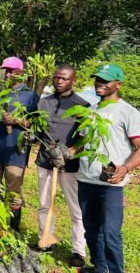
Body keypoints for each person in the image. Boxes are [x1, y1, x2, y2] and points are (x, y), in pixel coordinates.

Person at [75, 64, 140, 273]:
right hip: (86, 179)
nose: (99, 84)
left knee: (111, 233)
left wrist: (125, 167)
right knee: (91, 230)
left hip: (111, 182)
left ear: (118, 85)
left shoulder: (128, 112)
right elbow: (82, 142)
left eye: (105, 81)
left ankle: (115, 270)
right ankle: (99, 267)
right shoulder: (91, 110)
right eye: (97, 79)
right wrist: (66, 152)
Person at [34, 65, 88, 267]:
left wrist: (69, 152)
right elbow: (38, 131)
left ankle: (79, 251)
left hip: (70, 165)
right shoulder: (44, 102)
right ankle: (45, 240)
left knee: (75, 209)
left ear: (73, 80)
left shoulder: (82, 105)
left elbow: (86, 137)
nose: (58, 81)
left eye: (64, 78)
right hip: (45, 161)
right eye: (56, 77)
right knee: (44, 203)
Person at [0, 56, 39, 231]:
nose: (7, 75)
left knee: (13, 191)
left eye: (11, 71)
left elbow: (35, 123)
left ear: (20, 73)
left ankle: (13, 228)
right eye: (5, 71)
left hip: (16, 151)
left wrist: (17, 121)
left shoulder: (29, 95)